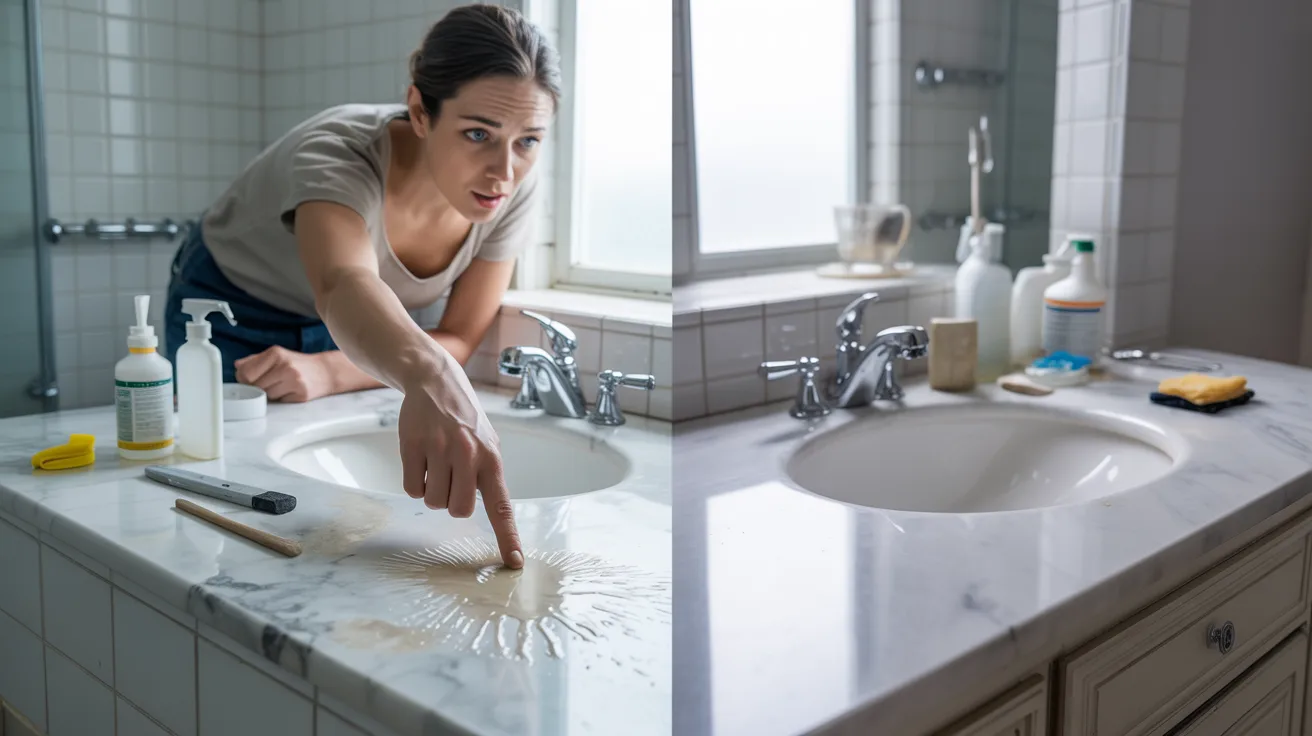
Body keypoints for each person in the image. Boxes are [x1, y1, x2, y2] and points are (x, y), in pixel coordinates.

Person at [162, 5, 561, 569]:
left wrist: (328, 369)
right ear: (421, 110)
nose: (504, 171)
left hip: (368, 334)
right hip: (234, 309)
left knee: (324, 537)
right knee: (221, 514)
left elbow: (458, 334)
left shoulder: (514, 183)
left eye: (529, 140)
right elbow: (343, 280)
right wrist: (431, 373)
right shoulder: (337, 150)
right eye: (478, 133)